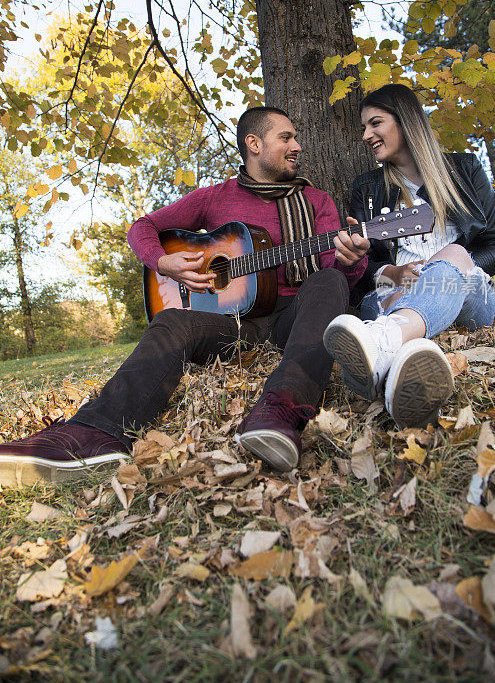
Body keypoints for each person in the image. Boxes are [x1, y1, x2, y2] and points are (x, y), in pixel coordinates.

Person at [0, 107, 369, 487]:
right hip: (234, 324)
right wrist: (164, 262)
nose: (298, 146)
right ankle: (96, 432)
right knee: (172, 320)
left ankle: (282, 410)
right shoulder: (214, 198)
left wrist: (351, 259)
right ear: (254, 144)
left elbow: (336, 272)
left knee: (327, 281)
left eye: (296, 138)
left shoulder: (317, 201)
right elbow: (143, 227)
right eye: (286, 138)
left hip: (296, 318)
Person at [323, 84, 495, 428]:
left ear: (405, 121)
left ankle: (384, 340)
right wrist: (390, 271)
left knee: (453, 253)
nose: (366, 135)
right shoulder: (367, 187)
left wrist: (448, 265)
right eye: (364, 127)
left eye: (375, 123)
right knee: (388, 300)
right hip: (396, 291)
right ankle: (402, 372)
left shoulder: (464, 169)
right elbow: (369, 272)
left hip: (469, 292)